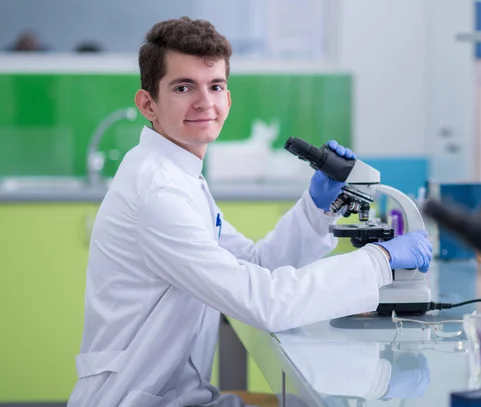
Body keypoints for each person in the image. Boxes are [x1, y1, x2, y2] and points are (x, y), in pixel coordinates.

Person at [67, 17, 432, 407]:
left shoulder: (180, 175)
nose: (204, 101)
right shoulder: (159, 192)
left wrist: (316, 208)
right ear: (148, 104)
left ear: (228, 98)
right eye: (183, 87)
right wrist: (380, 260)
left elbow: (257, 264)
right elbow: (266, 303)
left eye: (216, 86)